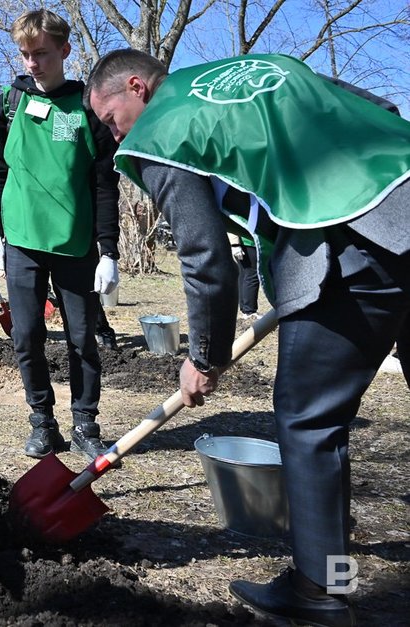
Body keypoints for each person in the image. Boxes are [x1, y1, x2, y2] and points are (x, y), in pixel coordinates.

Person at [87, 48, 409, 627]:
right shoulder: (263, 69)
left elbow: (205, 257)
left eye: (111, 120)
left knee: (310, 419)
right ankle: (330, 565)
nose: (115, 137)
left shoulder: (161, 128)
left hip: (354, 243)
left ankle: (323, 588)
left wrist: (203, 357)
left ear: (137, 87)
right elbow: (380, 110)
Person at [0, 9, 122, 461]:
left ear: (64, 50)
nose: (32, 63)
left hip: (75, 242)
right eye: (25, 54)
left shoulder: (87, 107)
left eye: (41, 53)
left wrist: (108, 250)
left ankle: (85, 423)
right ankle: (42, 422)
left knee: (82, 338)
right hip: (21, 241)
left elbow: (104, 183)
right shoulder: (9, 103)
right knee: (26, 335)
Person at [228, 232, 260, 320]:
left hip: (245, 242)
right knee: (252, 275)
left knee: (244, 274)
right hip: (247, 242)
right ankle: (250, 311)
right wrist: (235, 244)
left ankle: (245, 309)